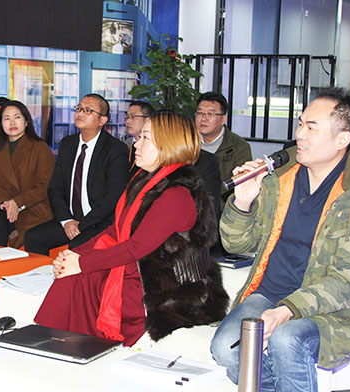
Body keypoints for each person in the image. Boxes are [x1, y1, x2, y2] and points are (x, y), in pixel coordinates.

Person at [210, 88, 350, 392]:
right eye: (301, 124)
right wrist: (243, 202)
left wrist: (289, 310)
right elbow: (238, 244)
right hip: (267, 294)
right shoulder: (281, 177)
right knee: (225, 349)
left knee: (287, 339)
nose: (299, 134)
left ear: (342, 139)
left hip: (327, 311)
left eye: (311, 127)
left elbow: (349, 281)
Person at [34, 111, 229, 346]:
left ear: (167, 145)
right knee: (74, 276)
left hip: (162, 285)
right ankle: (56, 343)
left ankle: (63, 344)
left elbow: (136, 248)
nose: (136, 144)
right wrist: (75, 255)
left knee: (81, 277)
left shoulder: (176, 194)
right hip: (138, 267)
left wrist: (82, 263)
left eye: (145, 138)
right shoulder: (145, 181)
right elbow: (116, 230)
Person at [24, 94, 130, 255]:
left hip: (100, 222)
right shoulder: (68, 144)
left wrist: (82, 225)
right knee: (33, 237)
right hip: (71, 219)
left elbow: (113, 197)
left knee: (77, 245)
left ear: (102, 120)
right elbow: (55, 188)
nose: (80, 113)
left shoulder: (115, 149)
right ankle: (43, 273)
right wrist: (67, 221)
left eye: (88, 110)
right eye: (79, 108)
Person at [0, 100, 55, 248]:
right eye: (6, 118)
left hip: (34, 210)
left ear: (26, 122)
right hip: (8, 211)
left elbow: (45, 186)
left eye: (17, 117)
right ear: (1, 124)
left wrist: (17, 202)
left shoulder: (40, 148)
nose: (12, 122)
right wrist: (8, 204)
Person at [195, 92, 252, 208]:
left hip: (222, 209)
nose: (203, 118)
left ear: (223, 119)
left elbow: (239, 187)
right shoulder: (187, 142)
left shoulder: (239, 147)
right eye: (200, 113)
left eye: (210, 113)